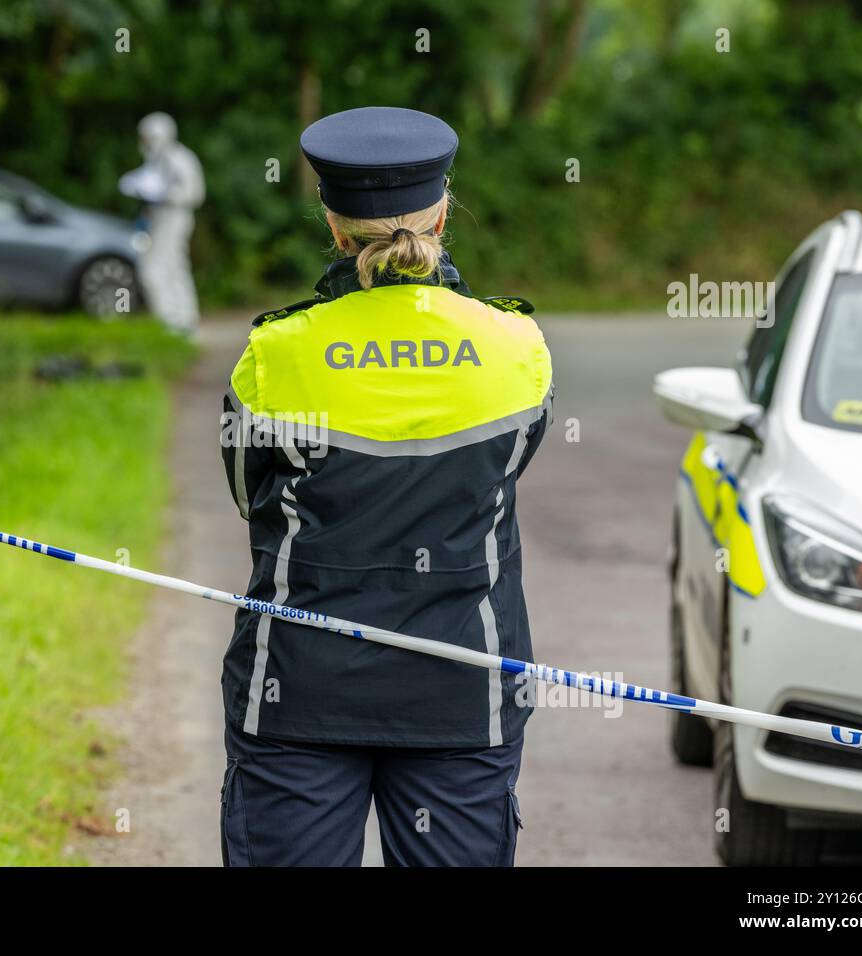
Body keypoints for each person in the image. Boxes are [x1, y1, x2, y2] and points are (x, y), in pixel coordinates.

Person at [219, 106, 554, 866]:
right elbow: (499, 479)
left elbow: (252, 499)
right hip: (464, 690)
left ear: (334, 227)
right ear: (442, 211)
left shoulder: (276, 352)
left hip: (298, 687)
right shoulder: (516, 346)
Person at [118, 112, 205, 334]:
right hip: (158, 219)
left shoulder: (180, 158)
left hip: (176, 218)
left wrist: (164, 195)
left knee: (161, 267)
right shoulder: (156, 161)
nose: (145, 144)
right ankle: (177, 319)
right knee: (167, 267)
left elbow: (195, 193)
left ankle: (176, 320)